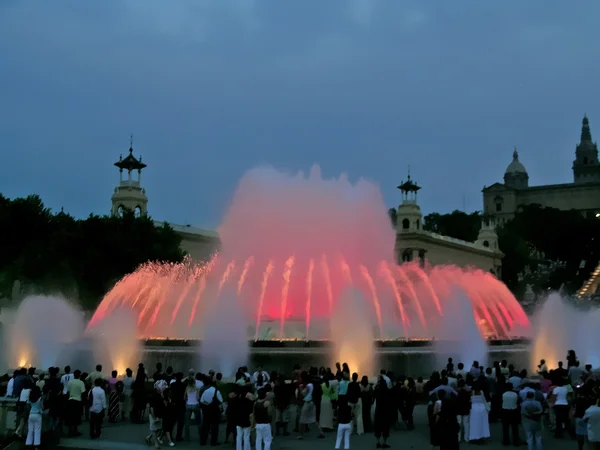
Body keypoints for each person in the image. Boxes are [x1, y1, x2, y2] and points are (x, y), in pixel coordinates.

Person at [373, 377, 392, 449]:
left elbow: (373, 395)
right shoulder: (387, 391)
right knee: (385, 428)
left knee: (378, 427)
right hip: (385, 412)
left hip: (378, 411)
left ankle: (377, 442)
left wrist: (376, 385)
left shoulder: (377, 390)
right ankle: (384, 443)